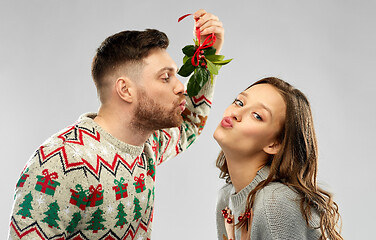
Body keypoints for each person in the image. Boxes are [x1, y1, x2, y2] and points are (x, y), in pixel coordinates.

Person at [9, 9, 224, 240]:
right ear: (125, 89)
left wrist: (206, 57)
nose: (181, 87)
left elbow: (189, 124)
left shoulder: (147, 144)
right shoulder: (59, 162)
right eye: (165, 77)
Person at [214, 77, 343, 240]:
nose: (236, 113)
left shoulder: (275, 203)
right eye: (239, 102)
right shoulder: (226, 199)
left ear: (274, 144)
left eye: (257, 116)